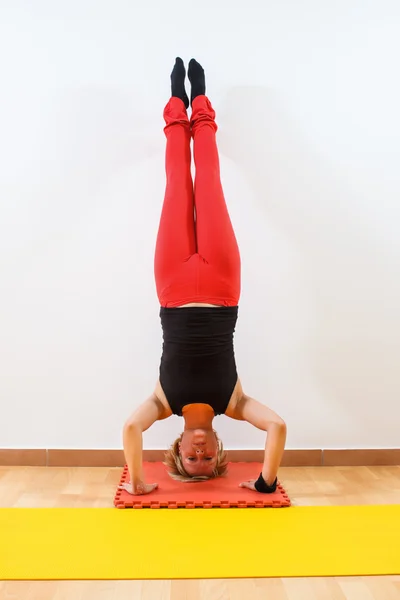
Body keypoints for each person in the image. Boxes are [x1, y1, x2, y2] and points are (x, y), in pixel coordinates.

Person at [120, 58, 287, 496]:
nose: (199, 452)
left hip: (172, 285)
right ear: (219, 449)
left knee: (178, 180)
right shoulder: (234, 403)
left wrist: (138, 483)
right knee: (208, 180)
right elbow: (277, 426)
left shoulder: (161, 403)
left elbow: (129, 429)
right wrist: (267, 483)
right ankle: (203, 105)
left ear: (176, 448)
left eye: (190, 458)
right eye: (207, 458)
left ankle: (177, 103)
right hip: (222, 283)